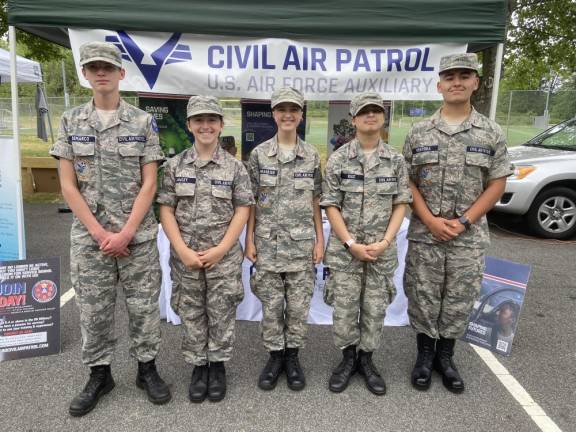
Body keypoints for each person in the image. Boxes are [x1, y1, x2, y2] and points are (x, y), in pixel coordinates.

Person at [50, 41, 171, 417]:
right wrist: (102, 234)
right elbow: (68, 186)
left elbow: (149, 183)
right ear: (85, 75)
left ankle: (146, 369)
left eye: (108, 66)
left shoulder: (142, 121)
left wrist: (125, 232)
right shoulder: (71, 121)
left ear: (121, 73)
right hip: (91, 240)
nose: (101, 72)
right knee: (94, 309)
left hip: (137, 237)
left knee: (143, 308)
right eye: (93, 67)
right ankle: (100, 374)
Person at [402, 53, 513, 393]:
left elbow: (497, 182)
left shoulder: (490, 132)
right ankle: (424, 356)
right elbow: (407, 181)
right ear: (439, 84)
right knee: (423, 295)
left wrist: (465, 221)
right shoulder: (419, 132)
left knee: (459, 298)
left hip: (468, 236)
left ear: (475, 83)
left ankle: (446, 358)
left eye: (465, 75)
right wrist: (430, 220)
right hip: (426, 233)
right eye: (450, 76)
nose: (457, 82)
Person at [157, 96, 254, 403]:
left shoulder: (236, 168)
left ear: (221, 125)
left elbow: (242, 210)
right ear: (189, 126)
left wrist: (223, 249)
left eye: (212, 120)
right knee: (192, 311)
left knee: (221, 310)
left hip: (221, 259)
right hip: (186, 257)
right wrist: (183, 250)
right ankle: (199, 367)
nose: (206, 126)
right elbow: (166, 209)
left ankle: (218, 365)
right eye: (199, 120)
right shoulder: (174, 166)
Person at [321, 92, 411, 395]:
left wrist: (386, 241)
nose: (370, 116)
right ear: (354, 119)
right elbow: (330, 204)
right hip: (347, 252)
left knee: (374, 308)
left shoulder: (396, 160)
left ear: (383, 117)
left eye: (376, 111)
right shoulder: (338, 159)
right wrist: (349, 243)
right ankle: (347, 360)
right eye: (363, 112)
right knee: (344, 309)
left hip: (380, 251)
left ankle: (367, 360)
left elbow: (401, 202)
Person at [245, 87, 324, 391]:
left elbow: (317, 199)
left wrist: (319, 240)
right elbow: (251, 200)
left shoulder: (311, 155)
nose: (288, 114)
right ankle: (275, 356)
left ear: (301, 114)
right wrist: (250, 239)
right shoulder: (259, 154)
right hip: (267, 244)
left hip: (302, 246)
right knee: (272, 305)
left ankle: (293, 357)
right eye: (282, 109)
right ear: (274, 114)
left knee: (298, 306)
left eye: (294, 109)